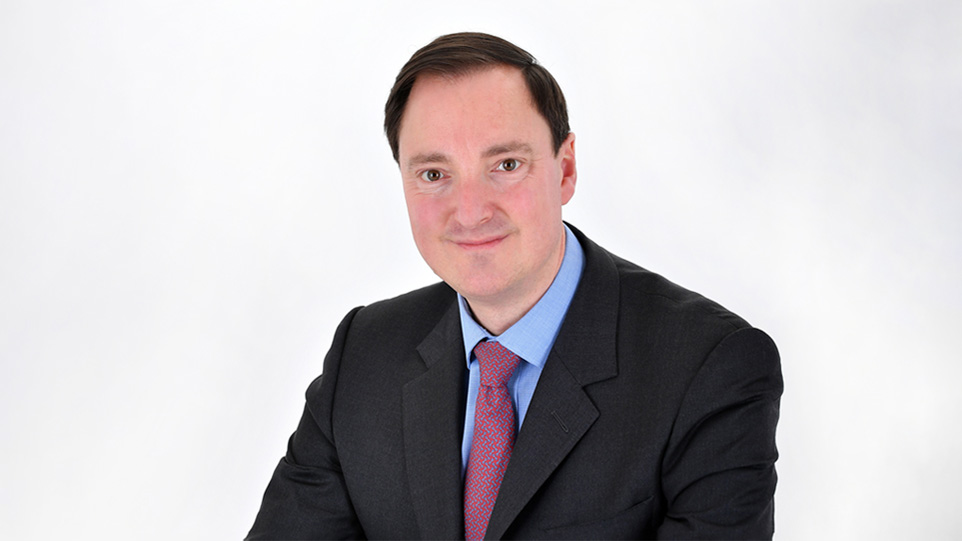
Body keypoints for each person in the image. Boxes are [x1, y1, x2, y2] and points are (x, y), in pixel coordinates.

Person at [247, 32, 782, 540]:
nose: (471, 211)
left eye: (506, 164)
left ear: (565, 168)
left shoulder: (710, 367)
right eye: (434, 174)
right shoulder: (363, 353)